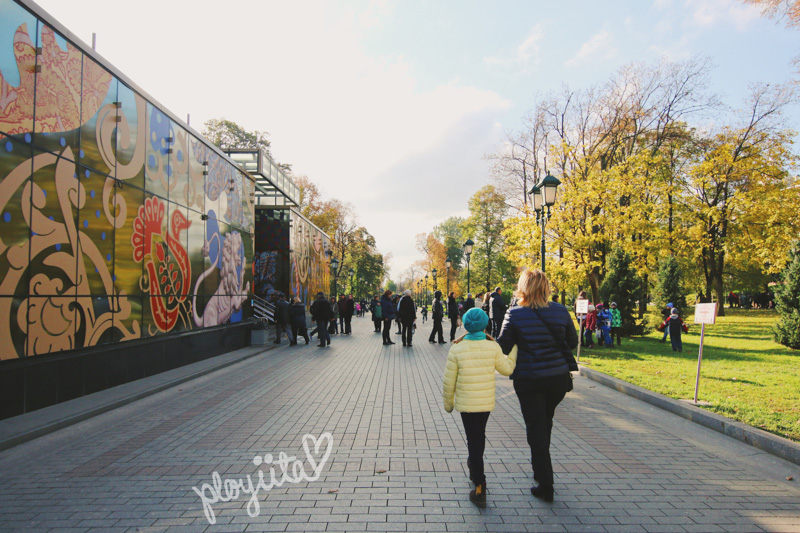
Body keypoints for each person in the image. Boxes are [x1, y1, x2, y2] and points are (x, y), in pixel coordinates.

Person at [496, 269, 578, 503]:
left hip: (529, 379)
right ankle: (540, 468)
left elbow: (503, 346)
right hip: (557, 379)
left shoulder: (515, 313)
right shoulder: (561, 310)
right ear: (546, 287)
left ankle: (545, 483)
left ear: (523, 287)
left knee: (535, 428)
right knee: (545, 421)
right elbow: (572, 341)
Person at [443, 307, 518, 508]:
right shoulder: (492, 347)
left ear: (466, 325)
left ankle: (479, 484)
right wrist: (515, 349)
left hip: (466, 404)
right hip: (485, 403)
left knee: (473, 439)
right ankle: (474, 465)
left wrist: (448, 404)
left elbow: (449, 381)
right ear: (485, 324)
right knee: (479, 436)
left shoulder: (457, 348)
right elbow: (507, 369)